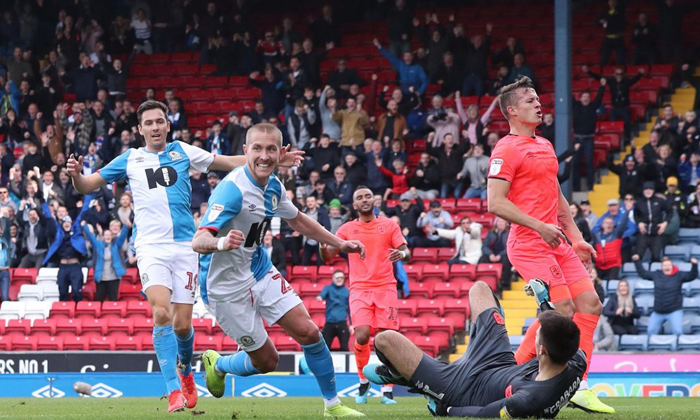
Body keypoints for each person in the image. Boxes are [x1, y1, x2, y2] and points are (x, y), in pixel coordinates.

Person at [66, 101, 303, 413]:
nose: (154, 127)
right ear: (139, 129)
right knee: (161, 313)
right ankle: (173, 390)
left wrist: (267, 162)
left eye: (159, 122)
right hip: (150, 248)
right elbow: (86, 186)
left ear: (167, 125)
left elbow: (225, 162)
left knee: (181, 326)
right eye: (148, 123)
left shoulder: (182, 150)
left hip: (185, 247)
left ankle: (187, 371)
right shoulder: (130, 159)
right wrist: (75, 175)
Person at [192, 123, 365, 418]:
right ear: (246, 151)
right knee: (267, 362)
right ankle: (218, 364)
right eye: (257, 149)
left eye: (271, 149)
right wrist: (221, 242)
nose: (264, 155)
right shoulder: (232, 191)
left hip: (259, 270)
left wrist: (339, 243)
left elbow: (297, 219)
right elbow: (199, 240)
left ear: (280, 152)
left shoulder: (274, 186)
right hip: (225, 289)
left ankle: (332, 405)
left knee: (310, 332)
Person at [486, 77, 612, 413]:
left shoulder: (544, 146)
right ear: (512, 110)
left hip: (556, 240)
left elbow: (557, 199)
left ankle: (579, 384)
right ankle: (507, 376)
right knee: (563, 312)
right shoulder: (506, 148)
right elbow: (495, 203)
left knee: (591, 305)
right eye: (529, 100)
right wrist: (539, 226)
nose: (538, 103)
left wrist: (578, 239)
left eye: (538, 98)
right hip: (529, 242)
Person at [363, 280, 586, 418]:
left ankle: (408, 378)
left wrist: (446, 411)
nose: (534, 334)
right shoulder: (576, 358)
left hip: (460, 389)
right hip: (498, 360)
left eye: (537, 335)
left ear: (542, 351)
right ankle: (410, 373)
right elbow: (564, 330)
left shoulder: (526, 400)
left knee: (385, 340)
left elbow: (482, 414)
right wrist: (544, 303)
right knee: (479, 289)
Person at [320, 185, 410, 405]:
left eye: (367, 196)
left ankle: (387, 390)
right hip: (359, 288)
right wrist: (323, 245)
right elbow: (328, 256)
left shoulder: (389, 225)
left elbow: (407, 252)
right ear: (354, 205)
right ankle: (363, 381)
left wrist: (403, 253)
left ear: (374, 200)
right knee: (361, 335)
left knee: (386, 338)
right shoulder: (346, 229)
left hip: (386, 287)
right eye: (359, 197)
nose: (364, 200)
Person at [632, 254, 698, 336]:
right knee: (650, 332)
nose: (667, 267)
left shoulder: (679, 275)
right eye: (664, 265)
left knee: (677, 331)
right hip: (658, 311)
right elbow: (644, 274)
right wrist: (637, 261)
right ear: (662, 267)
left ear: (672, 266)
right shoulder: (657, 274)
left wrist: (694, 265)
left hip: (674, 310)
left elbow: (691, 276)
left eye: (668, 265)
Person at [81, 220, 129, 302]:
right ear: (103, 236)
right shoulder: (98, 245)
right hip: (101, 278)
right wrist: (84, 226)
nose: (108, 236)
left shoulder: (116, 245)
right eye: (106, 235)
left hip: (114, 277)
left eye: (109, 235)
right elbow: (90, 237)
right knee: (99, 299)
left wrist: (126, 226)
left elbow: (122, 236)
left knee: (113, 299)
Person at [635, 182, 672, 262]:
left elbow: (670, 211)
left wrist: (665, 223)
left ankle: (654, 273)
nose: (648, 191)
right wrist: (639, 223)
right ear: (643, 190)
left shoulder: (660, 201)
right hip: (643, 232)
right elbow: (635, 215)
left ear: (653, 190)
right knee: (638, 255)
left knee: (656, 257)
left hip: (657, 233)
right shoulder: (639, 202)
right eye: (646, 189)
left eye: (650, 189)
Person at [317, 270, 352, 351]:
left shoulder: (347, 291)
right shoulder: (328, 288)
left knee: (344, 347)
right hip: (330, 323)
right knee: (325, 348)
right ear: (333, 278)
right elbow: (321, 295)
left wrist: (351, 324)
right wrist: (320, 297)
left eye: (341, 277)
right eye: (337, 277)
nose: (339, 279)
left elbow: (350, 309)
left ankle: (344, 364)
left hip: (342, 323)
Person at [480, 218, 513, 290]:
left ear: (506, 224)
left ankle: (505, 283)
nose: (500, 224)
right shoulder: (491, 233)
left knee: (506, 260)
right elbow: (484, 246)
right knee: (483, 258)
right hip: (493, 254)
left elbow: (509, 247)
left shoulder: (509, 233)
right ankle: (485, 280)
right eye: (499, 222)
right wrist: (490, 254)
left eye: (502, 222)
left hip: (503, 255)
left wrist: (500, 255)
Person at [591, 216, 628, 280]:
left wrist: (627, 210)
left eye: (611, 223)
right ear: (602, 225)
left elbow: (623, 223)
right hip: (599, 266)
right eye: (607, 223)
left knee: (612, 283)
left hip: (613, 265)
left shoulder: (616, 234)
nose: (609, 225)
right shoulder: (596, 236)